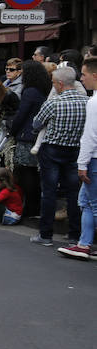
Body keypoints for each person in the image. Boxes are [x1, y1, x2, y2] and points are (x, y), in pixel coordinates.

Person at [29, 66, 88, 246]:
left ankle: (46, 235)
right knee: (73, 193)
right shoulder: (87, 102)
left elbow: (36, 124)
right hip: (76, 149)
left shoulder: (53, 103)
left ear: (60, 84)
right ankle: (74, 236)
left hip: (52, 149)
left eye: (54, 83)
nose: (53, 86)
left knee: (49, 192)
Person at [58, 58, 97, 259]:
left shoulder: (93, 102)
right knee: (86, 201)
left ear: (94, 75)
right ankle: (84, 243)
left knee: (93, 203)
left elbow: (89, 137)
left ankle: (85, 243)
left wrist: (82, 164)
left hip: (94, 159)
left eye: (83, 74)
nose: (81, 79)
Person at [8, 60, 50, 217]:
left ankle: (31, 207)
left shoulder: (30, 91)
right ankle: (35, 206)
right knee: (34, 173)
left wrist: (13, 130)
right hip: (38, 135)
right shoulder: (43, 89)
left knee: (27, 173)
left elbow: (21, 114)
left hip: (27, 135)